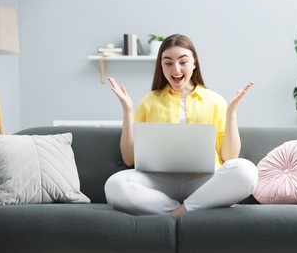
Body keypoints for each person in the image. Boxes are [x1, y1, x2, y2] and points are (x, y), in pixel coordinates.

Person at [104, 34, 257, 217]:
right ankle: (182, 210)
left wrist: (231, 112)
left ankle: (179, 212)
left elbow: (229, 157)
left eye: (183, 62)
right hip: (160, 182)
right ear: (161, 66)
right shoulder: (149, 101)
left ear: (194, 63)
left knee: (247, 171)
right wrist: (128, 111)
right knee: (115, 185)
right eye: (168, 63)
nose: (176, 69)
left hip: (204, 182)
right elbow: (129, 159)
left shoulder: (215, 101)